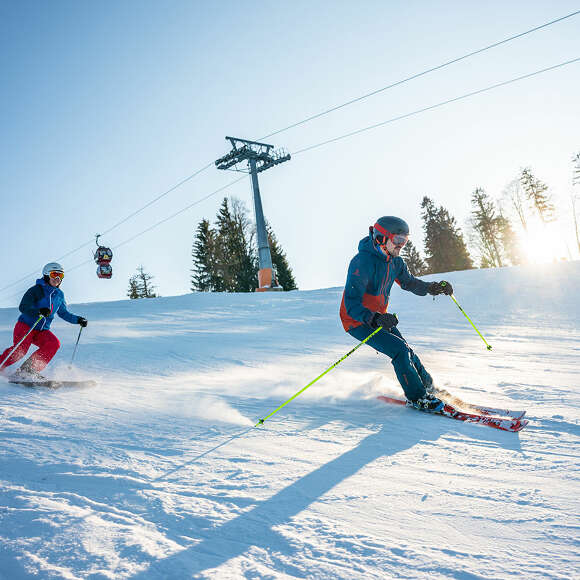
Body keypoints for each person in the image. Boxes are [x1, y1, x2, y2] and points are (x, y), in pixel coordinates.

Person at [340, 216, 453, 412]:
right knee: (399, 350)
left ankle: (428, 386)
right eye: (398, 240)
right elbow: (351, 304)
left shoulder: (396, 262)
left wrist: (433, 288)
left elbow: (410, 283)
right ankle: (418, 398)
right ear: (381, 238)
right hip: (356, 320)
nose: (402, 246)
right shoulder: (362, 262)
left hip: (380, 319)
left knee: (407, 350)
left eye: (405, 241)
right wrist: (375, 318)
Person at [0, 262, 88, 380]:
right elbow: (23, 307)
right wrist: (38, 311)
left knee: (53, 344)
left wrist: (78, 320)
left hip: (41, 330)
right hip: (26, 326)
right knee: (21, 350)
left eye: (60, 276)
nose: (57, 278)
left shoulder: (59, 295)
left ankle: (28, 370)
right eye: (54, 274)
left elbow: (63, 313)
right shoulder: (36, 290)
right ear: (46, 275)